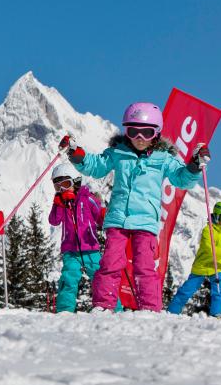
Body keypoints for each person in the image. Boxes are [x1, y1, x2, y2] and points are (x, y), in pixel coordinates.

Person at [61, 102, 207, 312]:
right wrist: (77, 155)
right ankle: (103, 305)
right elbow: (96, 166)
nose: (139, 138)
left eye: (146, 133)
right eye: (133, 131)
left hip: (145, 222)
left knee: (144, 267)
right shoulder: (118, 153)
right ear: (126, 131)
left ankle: (150, 308)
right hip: (118, 219)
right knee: (110, 263)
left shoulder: (163, 158)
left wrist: (194, 165)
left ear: (156, 134)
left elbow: (181, 179)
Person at [167, 201, 221, 317]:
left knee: (219, 290)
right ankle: (172, 312)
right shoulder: (208, 230)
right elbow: (211, 250)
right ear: (217, 216)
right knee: (187, 290)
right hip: (202, 266)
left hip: (217, 267)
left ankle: (216, 314)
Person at [47, 163, 107, 313]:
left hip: (90, 247)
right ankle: (65, 310)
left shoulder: (87, 198)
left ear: (76, 181)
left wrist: (107, 218)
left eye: (66, 184)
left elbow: (100, 216)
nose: (62, 189)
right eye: (57, 186)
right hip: (70, 249)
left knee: (101, 278)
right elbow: (54, 220)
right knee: (69, 278)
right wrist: (58, 204)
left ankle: (110, 307)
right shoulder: (60, 202)